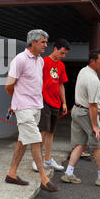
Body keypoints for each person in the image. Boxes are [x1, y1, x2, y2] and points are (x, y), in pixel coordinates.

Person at [4, 29, 59, 192]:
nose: (45, 45)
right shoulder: (19, 60)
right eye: (42, 42)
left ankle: (11, 174)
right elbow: (8, 86)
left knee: (23, 141)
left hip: (36, 106)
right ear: (32, 42)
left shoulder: (40, 61)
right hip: (24, 107)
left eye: (46, 42)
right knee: (35, 140)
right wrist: (16, 102)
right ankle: (44, 178)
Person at [61, 50, 100, 187]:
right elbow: (93, 106)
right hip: (87, 113)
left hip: (77, 111)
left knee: (80, 144)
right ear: (93, 61)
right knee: (99, 145)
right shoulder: (92, 79)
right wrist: (94, 126)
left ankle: (68, 174)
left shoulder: (84, 71)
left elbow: (95, 90)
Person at [32, 38, 70, 173]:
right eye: (62, 53)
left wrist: (64, 102)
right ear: (55, 48)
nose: (63, 56)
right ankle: (37, 160)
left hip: (56, 102)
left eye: (65, 54)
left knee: (51, 132)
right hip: (43, 100)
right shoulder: (43, 62)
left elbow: (61, 85)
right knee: (43, 131)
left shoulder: (61, 66)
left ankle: (48, 159)